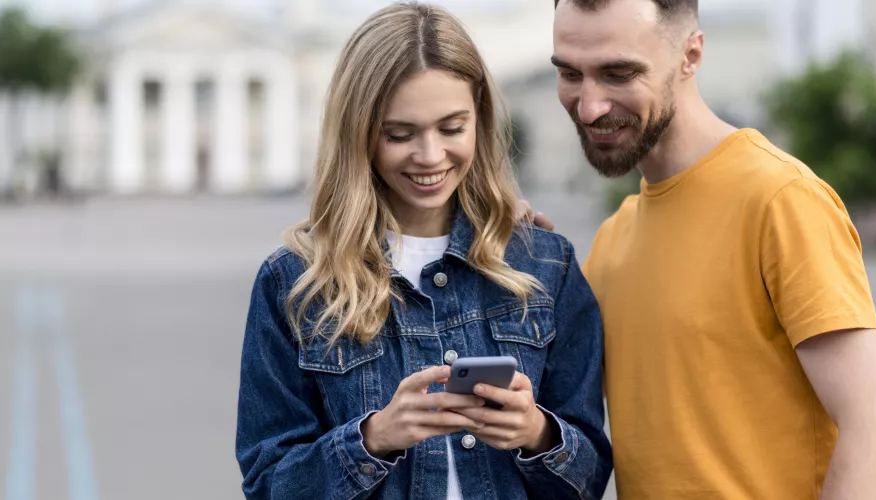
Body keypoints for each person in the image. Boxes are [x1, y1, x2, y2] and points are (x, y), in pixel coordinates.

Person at [534, 0, 876, 498]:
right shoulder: (612, 239)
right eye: (570, 74)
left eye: (619, 73)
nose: (589, 106)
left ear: (690, 55)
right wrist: (504, 245)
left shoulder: (779, 199)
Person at [234, 3, 613, 499]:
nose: (431, 156)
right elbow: (266, 485)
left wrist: (538, 434)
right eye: (400, 134)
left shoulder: (545, 264)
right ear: (359, 133)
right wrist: (372, 439)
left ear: (479, 118)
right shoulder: (295, 284)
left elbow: (589, 478)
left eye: (452, 128)